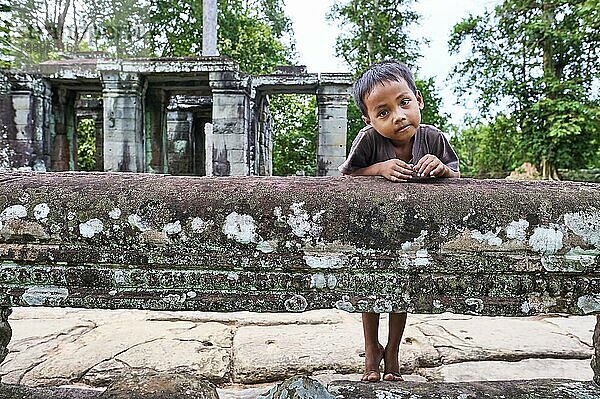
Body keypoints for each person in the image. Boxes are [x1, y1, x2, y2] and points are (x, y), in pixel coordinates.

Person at [338, 60, 460, 382]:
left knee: (399, 294)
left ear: (418, 100)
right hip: (371, 233)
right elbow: (347, 175)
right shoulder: (368, 141)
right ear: (369, 119)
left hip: (411, 235)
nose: (398, 116)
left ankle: (392, 350)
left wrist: (441, 168)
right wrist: (379, 169)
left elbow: (457, 174)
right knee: (368, 292)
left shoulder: (433, 139)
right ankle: (370, 350)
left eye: (404, 103)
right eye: (383, 112)